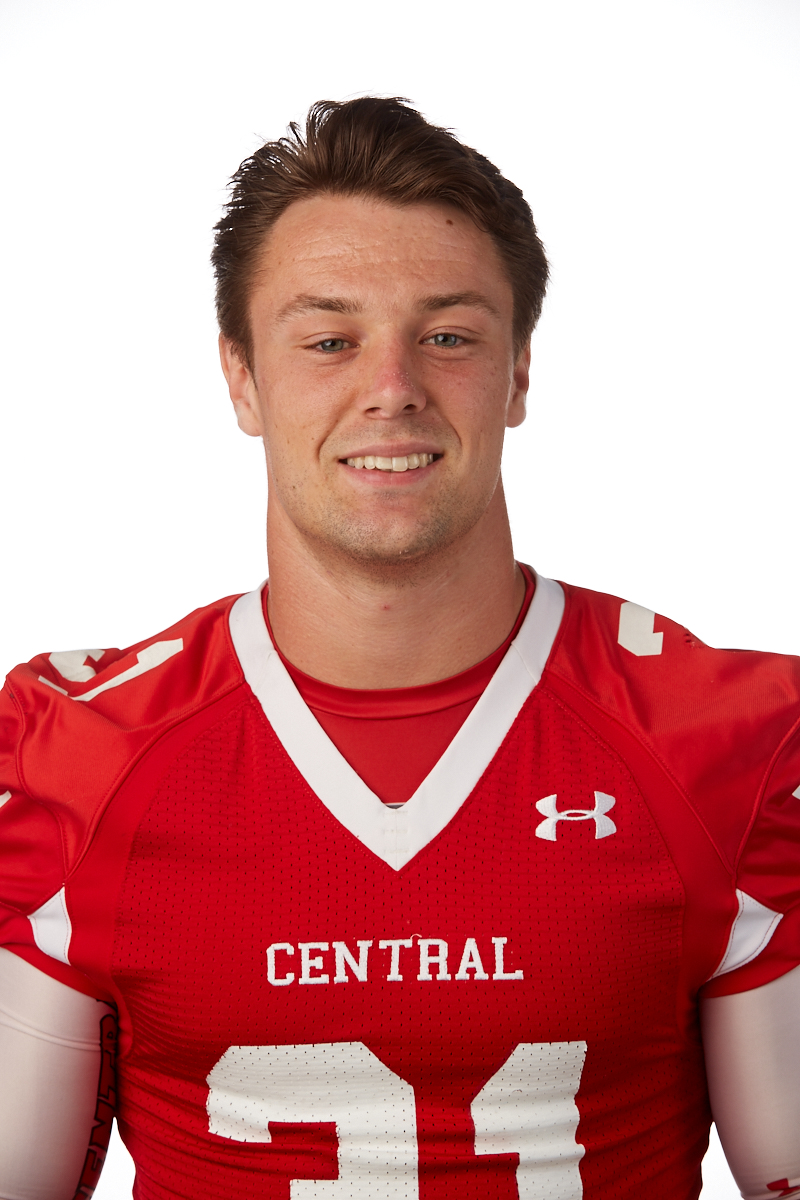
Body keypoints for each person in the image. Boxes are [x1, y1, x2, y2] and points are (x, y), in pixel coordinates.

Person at [0, 96, 798, 1200]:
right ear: (241, 377)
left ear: (519, 372)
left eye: (449, 337)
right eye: (330, 341)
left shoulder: (727, 740)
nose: (393, 389)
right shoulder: (78, 752)